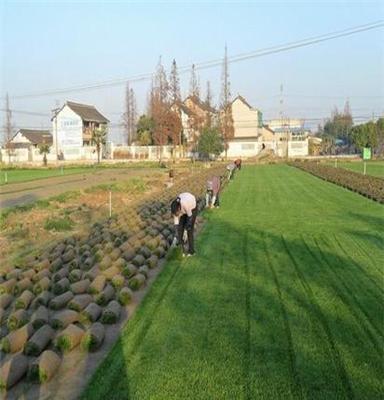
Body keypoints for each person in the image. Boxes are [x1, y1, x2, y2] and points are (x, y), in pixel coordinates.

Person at [170, 192, 197, 257]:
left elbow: (189, 218)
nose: (177, 215)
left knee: (189, 231)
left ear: (179, 209)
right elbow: (176, 223)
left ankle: (191, 251)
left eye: (177, 213)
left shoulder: (185, 204)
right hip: (183, 209)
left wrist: (186, 230)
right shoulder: (174, 207)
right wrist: (176, 235)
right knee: (180, 230)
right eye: (175, 214)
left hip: (192, 209)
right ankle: (181, 251)